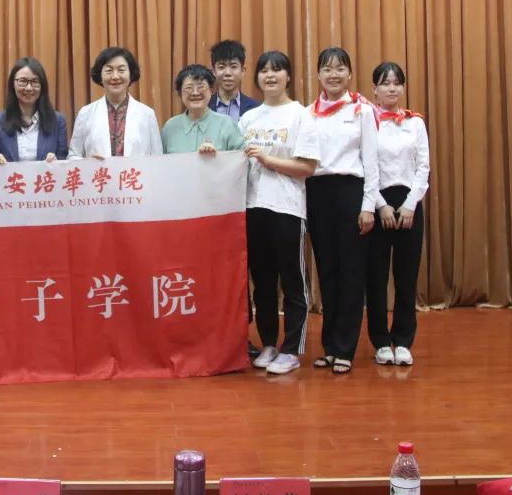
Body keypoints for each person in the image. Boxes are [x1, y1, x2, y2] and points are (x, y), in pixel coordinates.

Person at [238, 51, 320, 375]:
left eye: (277, 70)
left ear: (288, 76)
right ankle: (269, 343)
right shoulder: (248, 119)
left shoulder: (301, 115)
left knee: (292, 280)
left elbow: (307, 167)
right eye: (264, 71)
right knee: (262, 282)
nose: (270, 76)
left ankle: (292, 349)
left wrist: (268, 160)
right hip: (252, 207)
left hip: (286, 207)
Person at [304, 47, 379, 375]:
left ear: (349, 74)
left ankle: (346, 347)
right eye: (327, 69)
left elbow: (372, 162)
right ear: (318, 74)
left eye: (339, 69)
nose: (333, 74)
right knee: (327, 271)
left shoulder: (362, 110)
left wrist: (368, 207)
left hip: (351, 192)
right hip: (317, 193)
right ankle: (330, 346)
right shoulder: (307, 113)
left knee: (351, 272)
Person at [367, 62, 430, 367]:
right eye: (385, 83)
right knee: (376, 278)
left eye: (397, 83)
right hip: (377, 203)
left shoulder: (415, 123)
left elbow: (423, 167)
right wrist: (380, 205)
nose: (391, 88)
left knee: (406, 277)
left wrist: (410, 204)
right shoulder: (367, 122)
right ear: (374, 90)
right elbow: (366, 167)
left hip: (408, 205)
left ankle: (403, 340)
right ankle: (380, 341)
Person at [68, 47, 162, 159]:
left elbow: (157, 159)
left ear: (131, 74)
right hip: (98, 171)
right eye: (109, 71)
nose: (115, 76)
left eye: (121, 70)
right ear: (100, 75)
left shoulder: (147, 114)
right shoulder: (85, 113)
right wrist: (89, 163)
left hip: (137, 171)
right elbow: (73, 156)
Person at [0, 57, 68, 164]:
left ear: (42, 85)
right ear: (12, 84)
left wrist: (57, 161)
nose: (29, 88)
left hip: (46, 175)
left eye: (35, 81)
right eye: (22, 81)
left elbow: (63, 159)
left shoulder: (58, 121)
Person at [161, 64, 243, 154]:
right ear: (180, 93)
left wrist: (217, 158)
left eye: (201, 87)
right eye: (189, 88)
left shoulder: (226, 124)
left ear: (211, 90)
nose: (195, 93)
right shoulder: (170, 127)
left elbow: (242, 158)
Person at [209, 40, 260, 121]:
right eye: (221, 67)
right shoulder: (204, 107)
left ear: (242, 71)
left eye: (233, 66)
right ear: (214, 71)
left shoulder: (256, 108)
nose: (228, 73)